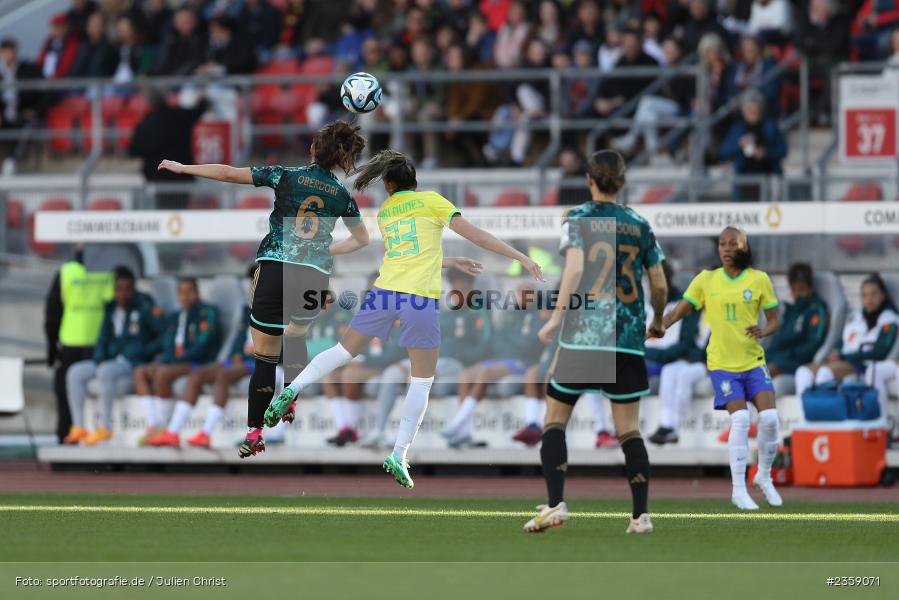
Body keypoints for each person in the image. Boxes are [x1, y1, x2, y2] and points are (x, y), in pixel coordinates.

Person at [266, 150, 543, 489]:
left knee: (342, 351)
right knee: (421, 381)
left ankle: (293, 388)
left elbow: (409, 255)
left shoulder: (386, 211)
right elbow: (477, 236)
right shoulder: (432, 201)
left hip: (383, 292)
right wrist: (521, 258)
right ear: (416, 182)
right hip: (419, 298)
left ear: (389, 185)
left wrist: (450, 261)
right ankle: (399, 453)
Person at [157, 121, 370, 458]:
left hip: (276, 268)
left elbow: (228, 174)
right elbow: (362, 239)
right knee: (297, 335)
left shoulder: (284, 175)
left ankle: (254, 433)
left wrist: (184, 168)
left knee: (266, 357)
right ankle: (291, 397)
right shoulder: (342, 195)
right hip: (315, 276)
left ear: (314, 149)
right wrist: (325, 250)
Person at [523, 150, 666, 535]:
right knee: (629, 431)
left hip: (586, 333)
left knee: (555, 419)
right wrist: (660, 320)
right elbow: (660, 283)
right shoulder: (640, 223)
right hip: (628, 336)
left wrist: (556, 317)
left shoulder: (577, 218)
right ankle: (640, 516)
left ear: (589, 179)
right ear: (621, 182)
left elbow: (576, 268)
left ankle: (555, 505)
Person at [660, 226, 782, 510]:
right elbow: (679, 312)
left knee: (771, 419)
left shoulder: (759, 279)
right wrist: (657, 327)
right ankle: (738, 490)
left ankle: (764, 476)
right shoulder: (706, 280)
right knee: (740, 420)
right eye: (722, 244)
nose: (726, 249)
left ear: (744, 247)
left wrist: (764, 330)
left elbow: (775, 319)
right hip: (722, 365)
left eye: (732, 244)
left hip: (753, 362)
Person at [360, 267, 492, 449]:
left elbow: (486, 342)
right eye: (454, 287)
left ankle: (404, 433)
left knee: (418, 374)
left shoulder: (479, 311)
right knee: (392, 373)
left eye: (461, 288)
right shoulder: (446, 314)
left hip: (455, 363)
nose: (456, 292)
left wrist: (463, 355)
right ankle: (379, 429)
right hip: (433, 358)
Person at [146, 267, 274, 448]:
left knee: (223, 375)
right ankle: (172, 432)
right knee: (197, 375)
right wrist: (236, 354)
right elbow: (238, 339)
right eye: (252, 283)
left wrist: (253, 351)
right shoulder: (247, 309)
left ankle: (206, 433)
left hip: (262, 363)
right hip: (241, 359)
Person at [441, 283, 547, 447]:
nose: (523, 296)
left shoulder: (538, 317)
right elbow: (497, 341)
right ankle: (465, 432)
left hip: (522, 361)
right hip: (501, 358)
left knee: (486, 372)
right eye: (520, 293)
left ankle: (457, 422)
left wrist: (510, 340)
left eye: (528, 293)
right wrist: (513, 340)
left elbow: (531, 344)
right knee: (465, 375)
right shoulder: (510, 315)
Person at [64, 267, 160, 446]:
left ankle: (105, 427)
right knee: (75, 372)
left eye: (127, 289)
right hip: (108, 360)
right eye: (118, 289)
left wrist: (143, 352)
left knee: (105, 371)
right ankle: (78, 426)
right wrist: (100, 356)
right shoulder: (109, 308)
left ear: (133, 289)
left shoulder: (144, 306)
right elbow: (103, 338)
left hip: (130, 362)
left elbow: (162, 335)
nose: (122, 294)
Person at [796, 274, 898, 420]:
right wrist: (835, 352)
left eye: (874, 294)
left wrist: (843, 356)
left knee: (824, 373)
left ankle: (826, 418)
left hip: (860, 363)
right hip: (842, 360)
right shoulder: (855, 317)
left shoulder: (890, 318)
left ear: (883, 295)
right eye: (864, 295)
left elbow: (881, 351)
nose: (869, 299)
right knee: (803, 372)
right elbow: (842, 341)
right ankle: (805, 420)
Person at [134, 277, 221, 446]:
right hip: (176, 363)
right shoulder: (175, 316)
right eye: (181, 292)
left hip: (200, 363)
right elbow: (167, 345)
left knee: (162, 373)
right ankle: (154, 426)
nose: (185, 296)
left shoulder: (208, 312)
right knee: (140, 371)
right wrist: (161, 361)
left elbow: (201, 347)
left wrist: (169, 362)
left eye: (189, 291)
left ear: (197, 293)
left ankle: (164, 427)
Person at [45, 246, 114, 443]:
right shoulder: (107, 271)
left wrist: (51, 349)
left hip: (72, 343)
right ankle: (90, 436)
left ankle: (68, 438)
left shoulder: (67, 272)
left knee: (66, 392)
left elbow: (52, 312)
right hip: (98, 344)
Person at [645, 262, 706, 445]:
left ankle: (675, 427)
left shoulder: (712, 309)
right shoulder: (692, 308)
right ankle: (667, 426)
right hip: (690, 361)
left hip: (708, 363)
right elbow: (688, 341)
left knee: (682, 374)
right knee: (670, 372)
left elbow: (688, 344)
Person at [129, 88, 210, 210]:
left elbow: (133, 151)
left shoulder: (145, 124)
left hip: (157, 179)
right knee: (181, 214)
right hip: (182, 176)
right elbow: (200, 109)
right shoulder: (180, 115)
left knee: (163, 213)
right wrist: (202, 96)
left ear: (149, 102)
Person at [719, 90, 787, 202]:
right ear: (743, 110)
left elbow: (783, 150)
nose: (752, 112)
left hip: (767, 179)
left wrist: (765, 153)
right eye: (749, 109)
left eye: (755, 109)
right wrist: (739, 145)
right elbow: (723, 153)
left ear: (760, 109)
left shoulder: (770, 127)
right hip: (743, 182)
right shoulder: (738, 129)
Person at [765, 263, 829, 378]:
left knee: (764, 373)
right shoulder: (790, 311)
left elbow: (815, 343)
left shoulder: (816, 310)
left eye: (802, 289)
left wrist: (791, 353)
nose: (797, 294)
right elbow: (778, 340)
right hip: (778, 357)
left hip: (798, 361)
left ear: (810, 288)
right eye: (794, 289)